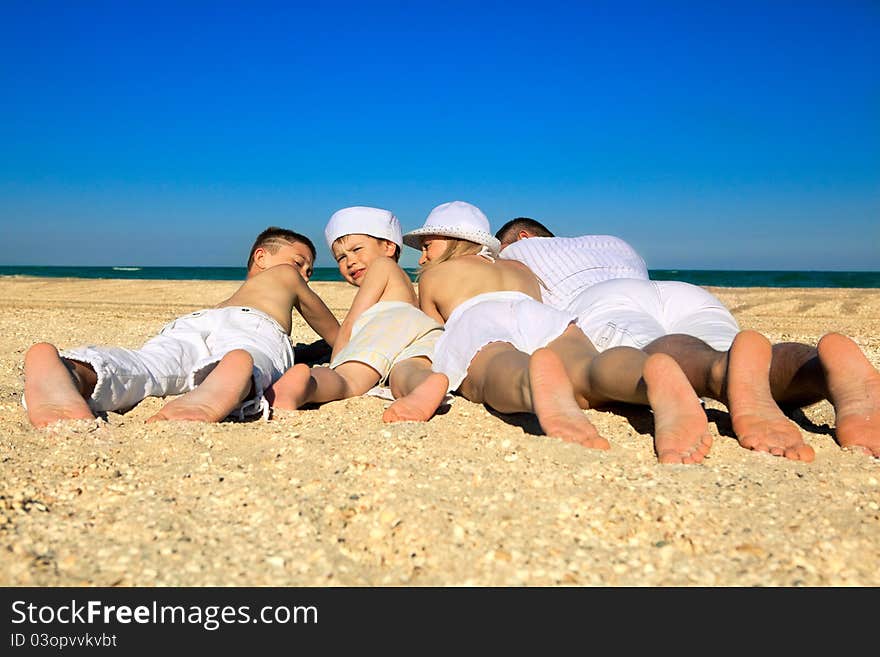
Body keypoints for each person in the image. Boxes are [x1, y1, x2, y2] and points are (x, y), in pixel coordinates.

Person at [496, 217, 880, 460]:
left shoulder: (516, 254)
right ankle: (819, 368)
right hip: (683, 293)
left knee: (670, 356)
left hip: (603, 302)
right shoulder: (608, 241)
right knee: (745, 367)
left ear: (524, 237)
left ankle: (721, 370)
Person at [384, 201, 714, 464]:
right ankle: (643, 373)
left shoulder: (436, 275)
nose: (423, 255)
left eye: (428, 245)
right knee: (586, 367)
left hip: (479, 318)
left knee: (499, 367)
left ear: (457, 241)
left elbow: (432, 333)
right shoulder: (518, 267)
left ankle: (531, 383)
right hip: (542, 316)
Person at [23, 227, 340, 426]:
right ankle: (235, 373)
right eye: (300, 263)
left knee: (147, 367)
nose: (305, 274)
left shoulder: (230, 299)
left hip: (191, 324)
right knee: (254, 356)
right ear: (261, 256)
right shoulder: (286, 278)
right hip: (253, 327)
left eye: (308, 270)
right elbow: (333, 332)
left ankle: (73, 372)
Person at [265, 206, 444, 411]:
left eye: (357, 249)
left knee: (348, 379)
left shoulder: (382, 265)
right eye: (341, 258)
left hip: (389, 324)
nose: (350, 261)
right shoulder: (403, 282)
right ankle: (420, 386)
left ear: (388, 247)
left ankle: (306, 386)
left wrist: (336, 363)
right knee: (408, 370)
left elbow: (352, 320)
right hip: (421, 332)